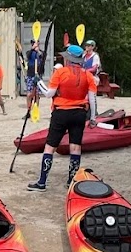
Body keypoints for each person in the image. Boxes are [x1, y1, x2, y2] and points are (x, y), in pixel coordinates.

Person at [27, 45, 96, 192]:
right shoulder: (88, 75)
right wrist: (93, 117)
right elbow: (92, 98)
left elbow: (49, 93)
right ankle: (71, 181)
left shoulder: (61, 72)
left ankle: (42, 182)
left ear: (69, 58)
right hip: (79, 113)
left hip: (61, 113)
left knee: (50, 146)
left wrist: (38, 82)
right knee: (75, 147)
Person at [82, 40, 101, 119]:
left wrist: (85, 71)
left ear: (92, 47)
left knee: (92, 96)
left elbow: (94, 68)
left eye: (89, 46)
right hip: (84, 77)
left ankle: (94, 113)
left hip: (92, 78)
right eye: (86, 45)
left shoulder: (95, 56)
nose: (87, 47)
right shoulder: (83, 56)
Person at [25, 39, 45, 109]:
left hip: (38, 76)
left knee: (37, 94)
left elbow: (43, 56)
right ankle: (29, 111)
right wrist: (32, 49)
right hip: (30, 75)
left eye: (36, 43)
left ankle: (36, 110)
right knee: (29, 94)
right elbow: (27, 56)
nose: (35, 44)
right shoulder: (29, 52)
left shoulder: (41, 52)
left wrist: (38, 51)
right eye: (33, 43)